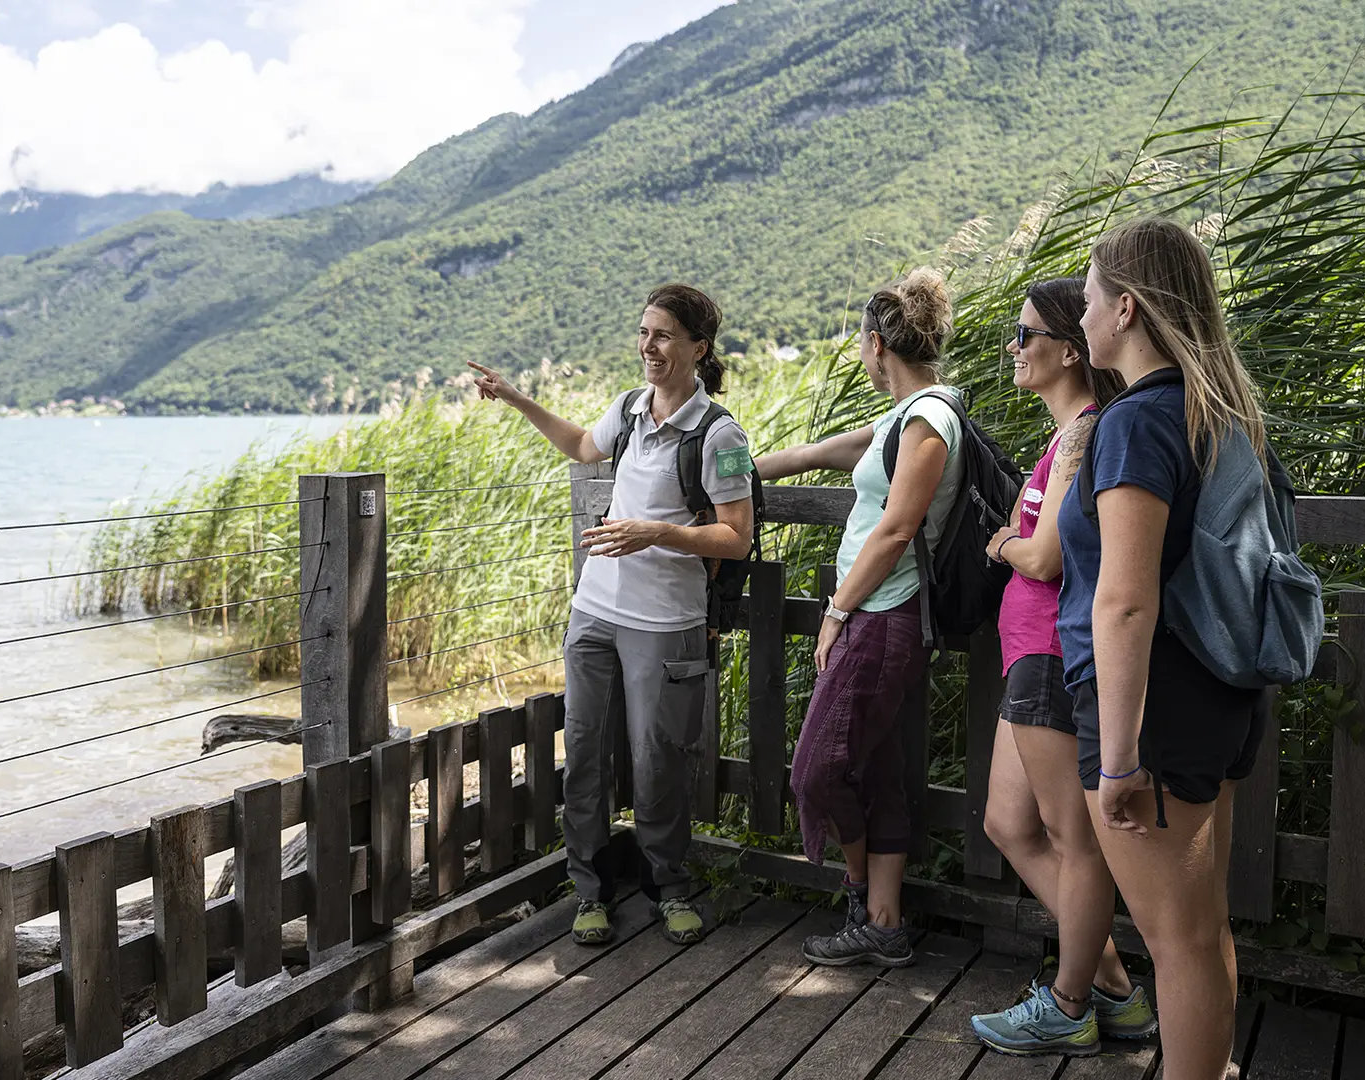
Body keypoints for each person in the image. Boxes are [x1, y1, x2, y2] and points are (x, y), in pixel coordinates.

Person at [467, 284, 755, 947]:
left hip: (666, 622)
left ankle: (669, 885)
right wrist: (515, 398)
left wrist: (655, 532)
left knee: (658, 760)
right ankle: (589, 892)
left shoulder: (720, 434)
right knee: (588, 755)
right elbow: (579, 446)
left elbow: (734, 537)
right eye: (644, 333)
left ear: (697, 349)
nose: (648, 347)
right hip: (594, 613)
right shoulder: (628, 410)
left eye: (663, 336)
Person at [1058, 218, 1270, 1080]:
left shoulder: (1138, 422)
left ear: (1127, 309)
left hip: (1154, 712)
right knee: (1201, 928)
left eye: (1088, 301)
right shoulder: (1213, 407)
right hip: (1213, 690)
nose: (1081, 317)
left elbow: (1125, 597)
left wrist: (1116, 759)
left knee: (1174, 941)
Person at [752, 267, 961, 968]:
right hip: (874, 613)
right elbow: (826, 451)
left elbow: (898, 529)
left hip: (882, 616)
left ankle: (856, 890)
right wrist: (741, 475)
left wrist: (837, 612)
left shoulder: (929, 420)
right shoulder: (904, 418)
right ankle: (885, 921)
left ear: (876, 344)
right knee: (872, 772)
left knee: (815, 770)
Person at [968, 278, 1152, 1056]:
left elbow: (1038, 554)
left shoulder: (1086, 431)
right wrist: (1012, 536)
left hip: (1052, 652)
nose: (1014, 345)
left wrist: (1001, 545)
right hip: (1026, 659)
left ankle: (1073, 1000)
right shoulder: (1059, 440)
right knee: (1006, 823)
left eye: (1025, 332)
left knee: (1072, 840)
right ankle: (1113, 986)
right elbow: (1024, 524)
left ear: (1068, 350)